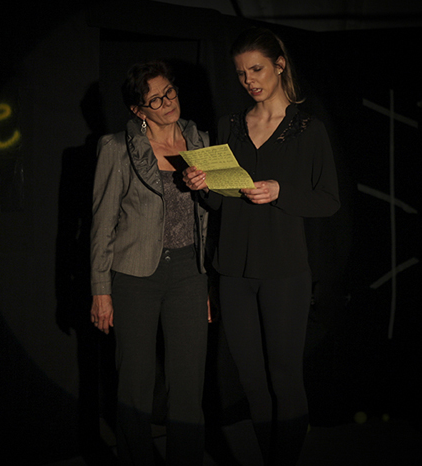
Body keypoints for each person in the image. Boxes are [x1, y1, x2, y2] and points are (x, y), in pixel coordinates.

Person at [183, 27, 340, 466]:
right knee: (251, 379)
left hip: (284, 271)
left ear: (279, 65)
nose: (249, 80)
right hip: (233, 270)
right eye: (241, 73)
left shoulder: (308, 129)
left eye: (256, 69)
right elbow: (219, 201)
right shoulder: (229, 125)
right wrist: (201, 184)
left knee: (284, 376)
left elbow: (329, 200)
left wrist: (280, 191)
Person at [90, 60, 211, 465]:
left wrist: (206, 281)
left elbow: (209, 218)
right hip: (135, 277)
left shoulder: (201, 142)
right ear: (137, 110)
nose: (167, 102)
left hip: (188, 274)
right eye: (154, 100)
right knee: (135, 384)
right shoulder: (116, 149)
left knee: (188, 383)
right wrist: (101, 291)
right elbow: (102, 225)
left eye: (169, 92)